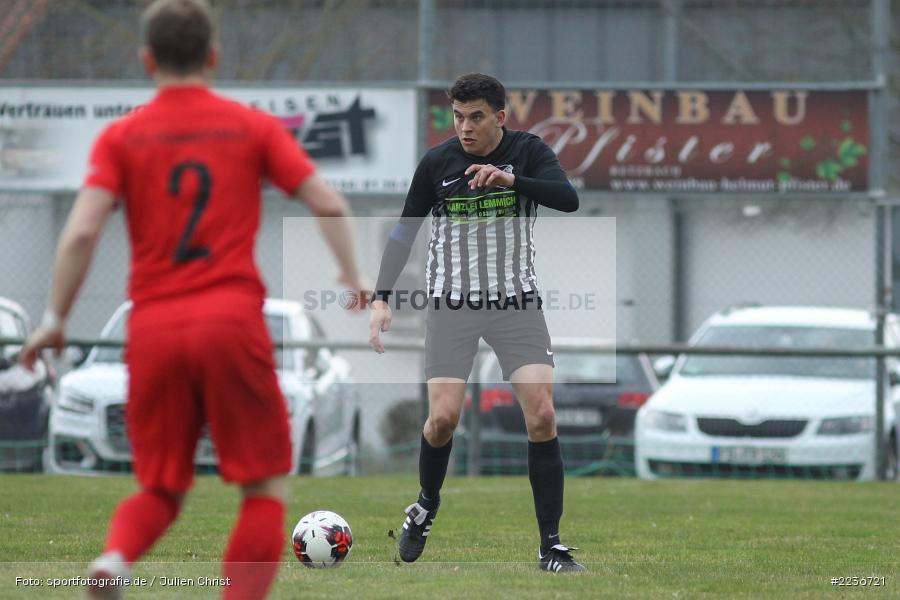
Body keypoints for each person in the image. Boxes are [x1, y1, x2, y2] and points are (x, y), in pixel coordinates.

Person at [19, 1, 364, 598]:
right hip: (230, 321)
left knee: (161, 489)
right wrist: (354, 277)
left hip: (152, 326)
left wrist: (54, 319)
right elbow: (329, 203)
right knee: (262, 487)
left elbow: (79, 231)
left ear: (146, 60)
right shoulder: (250, 126)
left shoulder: (122, 136)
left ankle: (114, 560)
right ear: (214, 56)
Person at [368, 73, 584, 573]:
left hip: (515, 304)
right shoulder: (438, 162)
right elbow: (405, 229)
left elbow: (567, 198)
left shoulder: (528, 152)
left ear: (500, 117)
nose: (465, 127)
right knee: (443, 420)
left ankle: (550, 546)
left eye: (476, 117)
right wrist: (380, 297)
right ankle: (425, 504)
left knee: (543, 416)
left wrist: (511, 179)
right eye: (458, 117)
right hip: (451, 305)